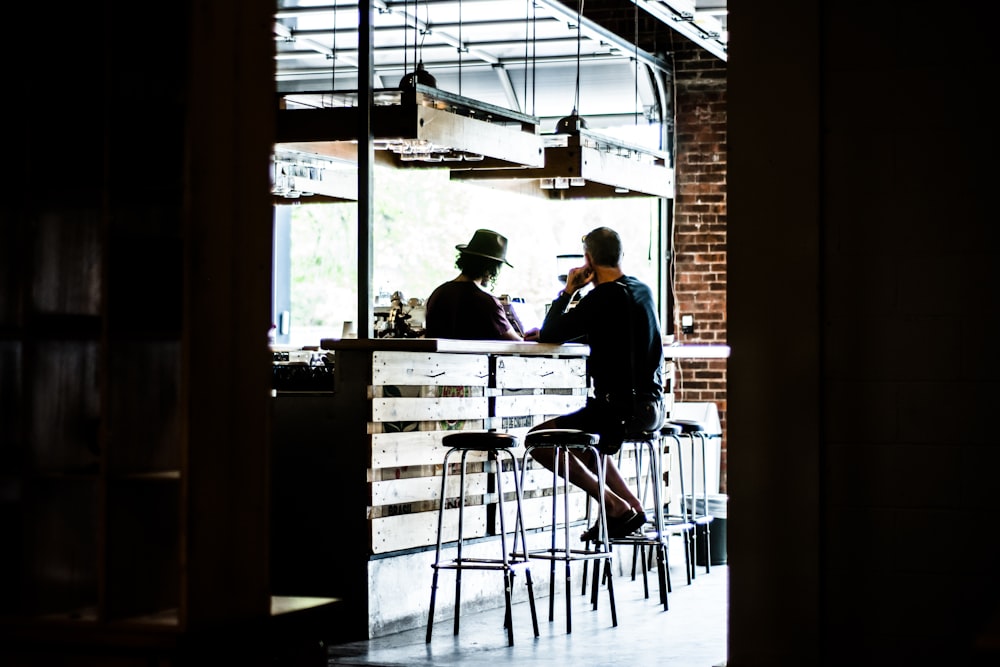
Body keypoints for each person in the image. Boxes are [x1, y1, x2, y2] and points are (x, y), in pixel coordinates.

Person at [529, 226, 665, 540]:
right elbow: (617, 332)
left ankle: (613, 506)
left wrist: (568, 291)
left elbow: (550, 334)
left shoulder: (600, 299)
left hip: (617, 410)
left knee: (540, 441)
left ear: (588, 259)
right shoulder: (643, 290)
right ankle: (633, 508)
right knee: (585, 441)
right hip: (651, 408)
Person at [424, 229, 531, 340]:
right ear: (491, 268)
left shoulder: (438, 293)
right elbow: (515, 343)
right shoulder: (487, 302)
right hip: (473, 358)